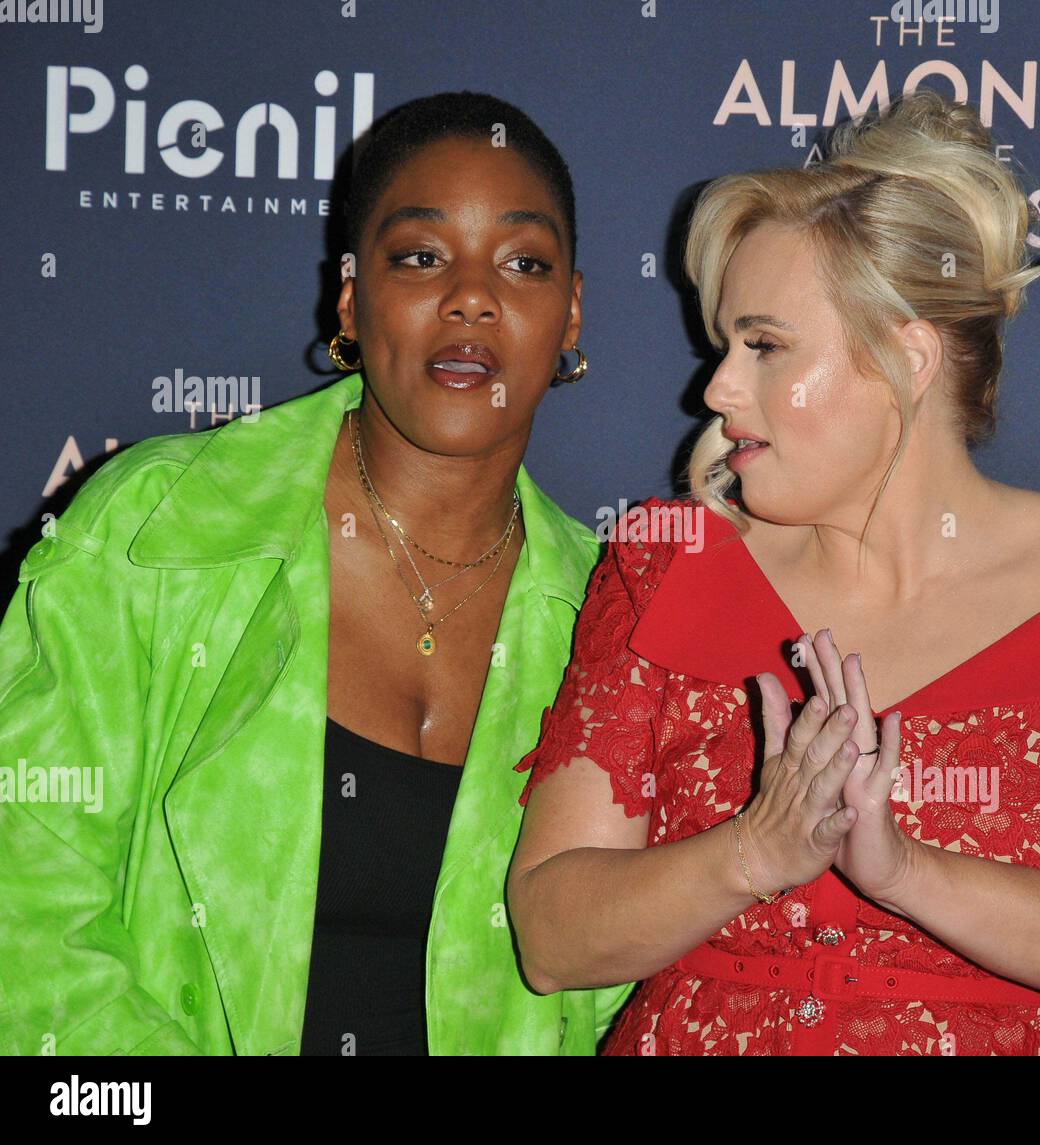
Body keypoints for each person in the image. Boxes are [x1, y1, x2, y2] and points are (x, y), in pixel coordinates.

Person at [506, 89, 1040, 1056]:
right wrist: (751, 850)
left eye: (765, 346)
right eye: (725, 346)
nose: (717, 389)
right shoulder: (672, 569)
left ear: (906, 359)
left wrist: (904, 869)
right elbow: (551, 932)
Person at [0, 91, 634, 1056]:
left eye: (523, 262)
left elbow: (618, 996)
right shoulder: (159, 529)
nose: (472, 297)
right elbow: (27, 905)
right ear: (350, 298)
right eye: (421, 257)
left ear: (572, 310)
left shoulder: (611, 621)